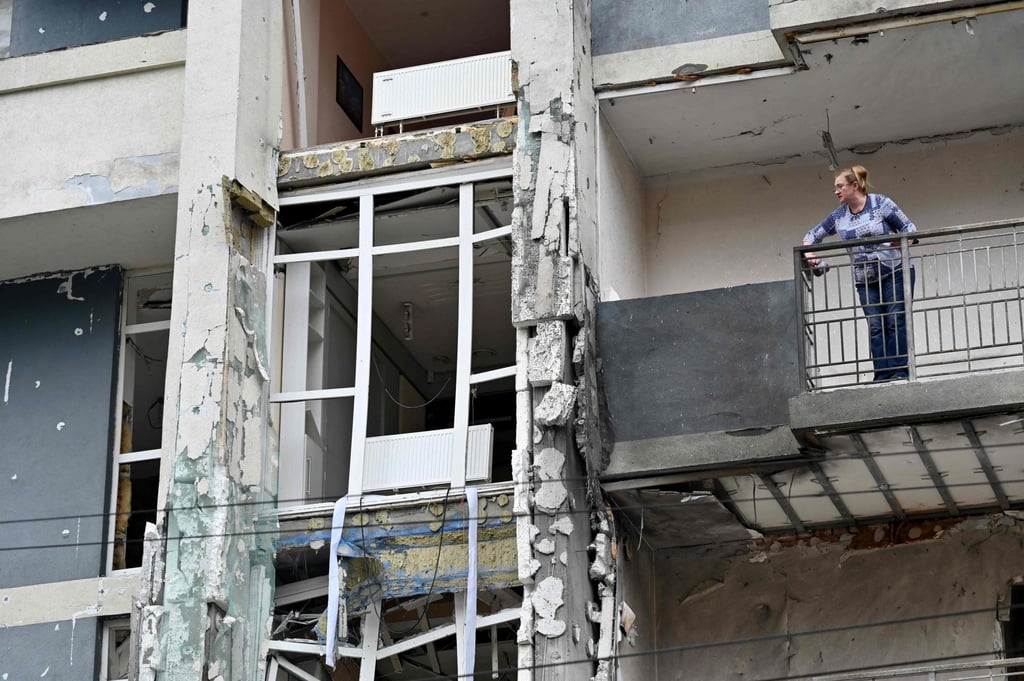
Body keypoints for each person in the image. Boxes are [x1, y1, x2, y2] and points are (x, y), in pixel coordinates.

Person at [803, 165, 917, 381]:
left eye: (840, 186)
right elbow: (811, 236)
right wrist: (809, 254)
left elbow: (909, 228)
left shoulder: (880, 203)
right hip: (865, 279)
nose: (836, 191)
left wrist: (901, 241)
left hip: (895, 271)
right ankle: (882, 375)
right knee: (875, 326)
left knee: (895, 320)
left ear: (855, 186)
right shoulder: (839, 216)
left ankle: (901, 373)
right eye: (835, 188)